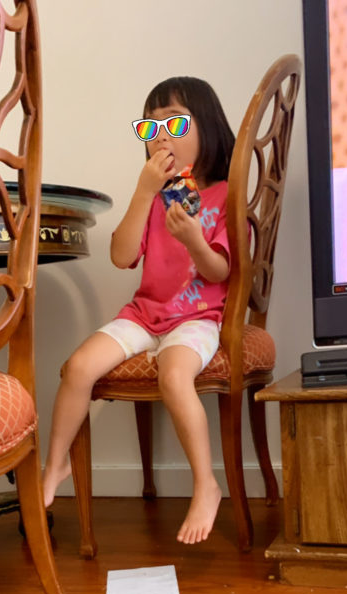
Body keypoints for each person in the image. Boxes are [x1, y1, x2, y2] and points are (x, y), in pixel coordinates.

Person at [42, 76, 235, 544]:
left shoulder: (227, 194)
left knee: (174, 373)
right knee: (77, 367)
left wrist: (193, 238)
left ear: (206, 126)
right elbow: (122, 256)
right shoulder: (157, 195)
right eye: (150, 129)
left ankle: (206, 484)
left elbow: (220, 272)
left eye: (172, 122)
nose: (161, 135)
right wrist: (144, 191)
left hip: (199, 317)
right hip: (144, 315)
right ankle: (55, 464)